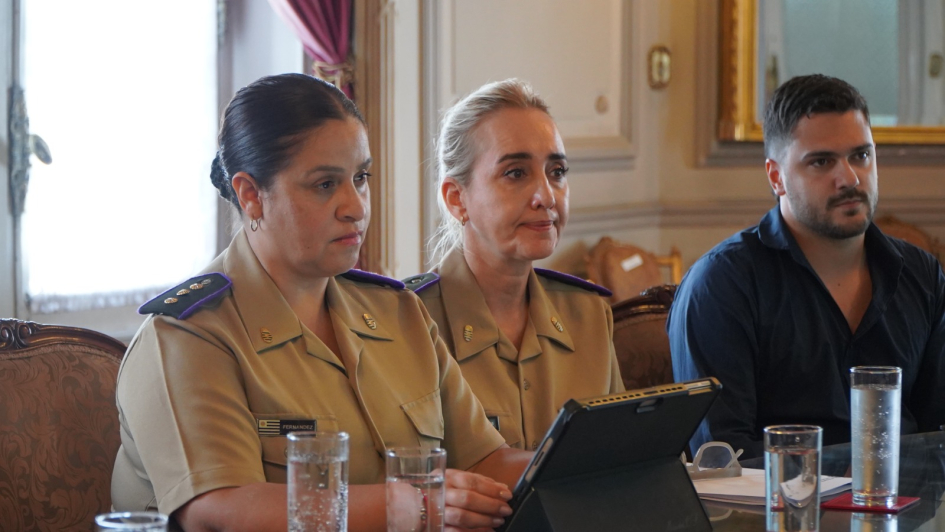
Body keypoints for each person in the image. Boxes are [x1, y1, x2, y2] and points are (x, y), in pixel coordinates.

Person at [110, 73, 531, 531]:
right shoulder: (186, 336)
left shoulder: (400, 313)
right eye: (325, 185)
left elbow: (487, 460)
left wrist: (591, 467)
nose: (356, 205)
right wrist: (411, 506)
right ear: (251, 195)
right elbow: (221, 513)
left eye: (361, 177)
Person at [668, 74, 945, 459]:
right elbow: (722, 457)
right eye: (821, 162)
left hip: (904, 511)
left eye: (861, 156)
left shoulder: (922, 275)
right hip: (773, 515)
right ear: (776, 176)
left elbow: (938, 436)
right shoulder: (722, 284)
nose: (848, 178)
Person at [403, 79, 623, 452]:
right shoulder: (406, 322)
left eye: (557, 172)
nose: (546, 196)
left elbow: (619, 459)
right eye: (516, 173)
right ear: (457, 199)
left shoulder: (587, 315)